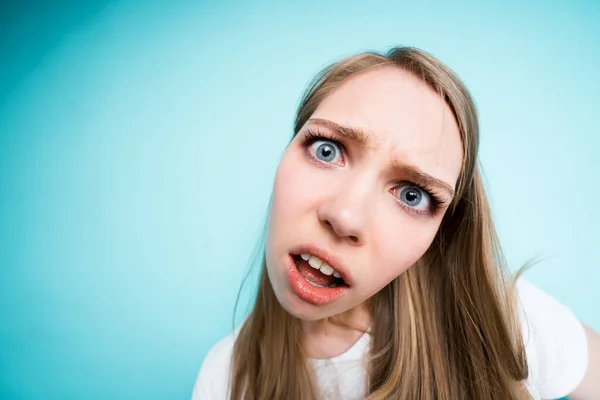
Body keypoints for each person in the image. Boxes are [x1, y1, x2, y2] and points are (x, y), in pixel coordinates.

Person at [191, 47, 599, 399]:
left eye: (411, 195)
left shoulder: (499, 318)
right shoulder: (226, 378)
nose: (345, 216)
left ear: (441, 234)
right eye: (328, 150)